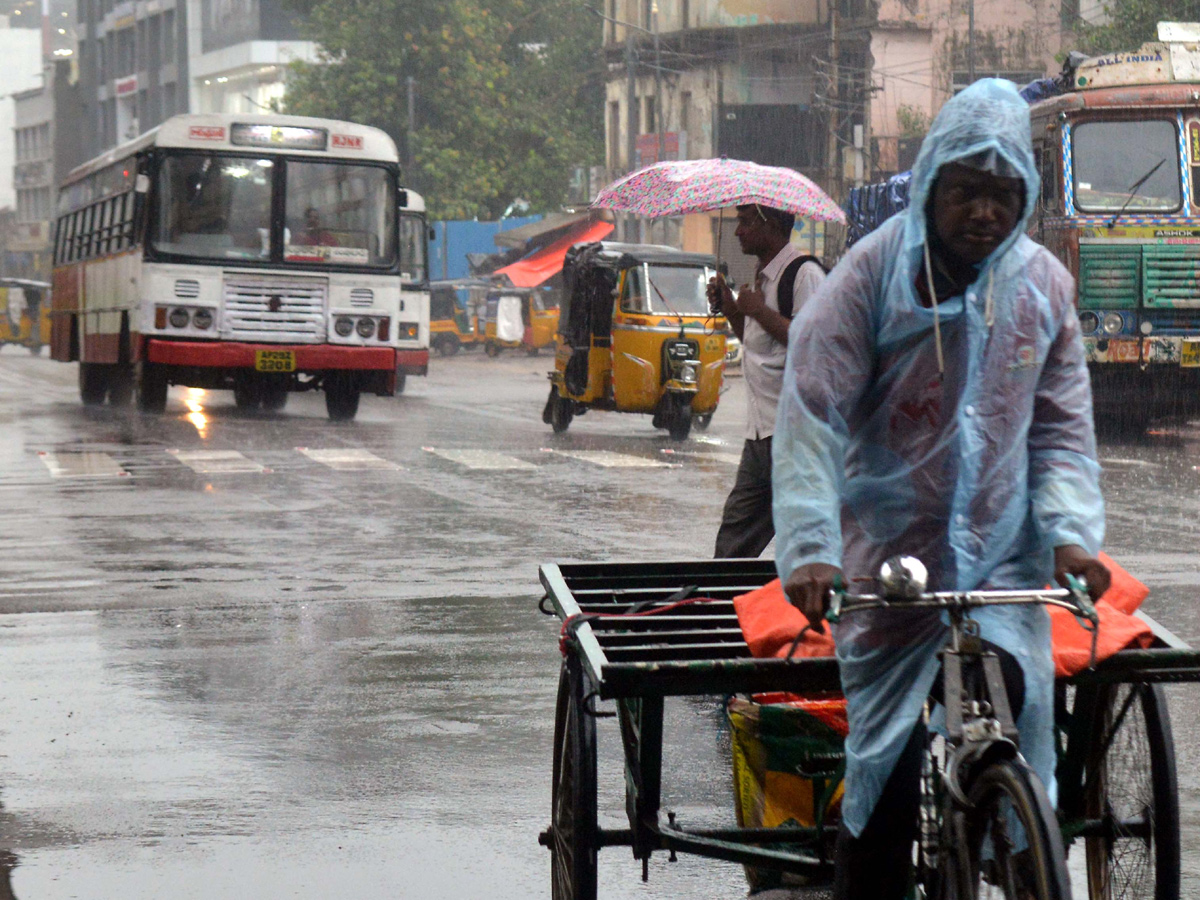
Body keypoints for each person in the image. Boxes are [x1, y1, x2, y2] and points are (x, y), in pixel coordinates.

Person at [772, 79, 1111, 899]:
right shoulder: (866, 278)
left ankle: (1013, 838)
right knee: (882, 774)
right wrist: (812, 549)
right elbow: (812, 416)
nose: (984, 213)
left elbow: (1063, 427)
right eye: (967, 190)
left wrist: (1070, 532)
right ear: (931, 185)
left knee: (1020, 703)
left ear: (1024, 197)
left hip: (1002, 559)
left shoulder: (1042, 290)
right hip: (890, 561)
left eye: (1002, 195)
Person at [708, 204, 824, 558]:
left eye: (745, 223)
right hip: (761, 433)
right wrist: (731, 308)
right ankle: (720, 609)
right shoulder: (762, 278)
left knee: (806, 544)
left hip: (795, 434)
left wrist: (759, 310)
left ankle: (813, 609)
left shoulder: (804, 275)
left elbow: (812, 344)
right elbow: (759, 347)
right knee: (733, 542)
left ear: (770, 224)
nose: (738, 232)